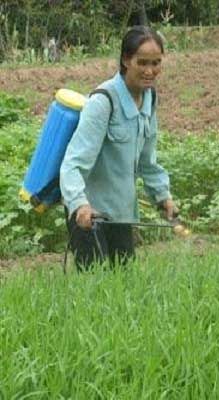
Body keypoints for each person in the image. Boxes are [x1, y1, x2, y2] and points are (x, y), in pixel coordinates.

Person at [60, 25, 177, 270]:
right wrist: (80, 204)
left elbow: (148, 160)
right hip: (89, 215)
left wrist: (162, 196)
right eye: (142, 62)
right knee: (94, 289)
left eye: (156, 63)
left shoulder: (149, 98)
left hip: (121, 214)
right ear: (126, 60)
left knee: (123, 286)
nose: (150, 71)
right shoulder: (103, 102)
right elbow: (73, 163)